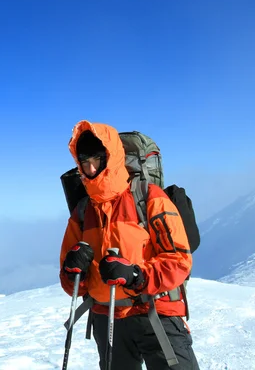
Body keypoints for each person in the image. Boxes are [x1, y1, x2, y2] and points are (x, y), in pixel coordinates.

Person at [59, 120, 199, 370]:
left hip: (156, 311)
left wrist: (137, 275)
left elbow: (179, 261)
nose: (90, 168)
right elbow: (73, 286)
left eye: (96, 159)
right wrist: (73, 270)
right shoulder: (82, 212)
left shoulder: (149, 197)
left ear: (110, 157)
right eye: (83, 161)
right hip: (107, 317)